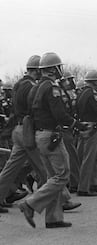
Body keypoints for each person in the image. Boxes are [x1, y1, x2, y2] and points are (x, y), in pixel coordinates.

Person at [19, 52, 85, 228]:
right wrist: (75, 124)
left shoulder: (35, 87)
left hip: (40, 135)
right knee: (62, 176)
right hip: (51, 135)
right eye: (58, 67)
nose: (60, 70)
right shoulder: (51, 88)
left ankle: (54, 218)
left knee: (52, 177)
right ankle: (30, 204)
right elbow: (59, 114)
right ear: (52, 69)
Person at [0, 55, 47, 214]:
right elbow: (34, 108)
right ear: (37, 71)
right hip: (28, 129)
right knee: (44, 166)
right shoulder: (30, 86)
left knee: (11, 168)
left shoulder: (19, 84)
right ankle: (60, 199)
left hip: (18, 129)